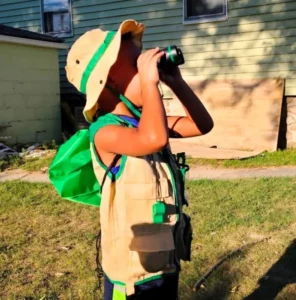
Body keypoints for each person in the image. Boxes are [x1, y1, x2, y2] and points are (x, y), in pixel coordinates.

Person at [65, 19, 213, 300]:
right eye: (138, 66)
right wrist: (149, 83)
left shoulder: (144, 123)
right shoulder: (105, 132)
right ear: (108, 81)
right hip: (131, 279)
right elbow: (153, 139)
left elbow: (202, 124)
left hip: (164, 263)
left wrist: (176, 83)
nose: (149, 72)